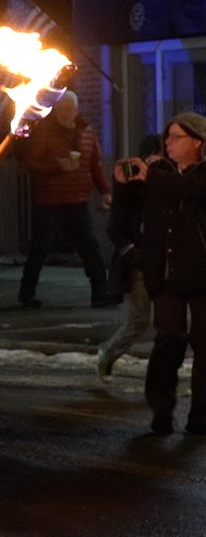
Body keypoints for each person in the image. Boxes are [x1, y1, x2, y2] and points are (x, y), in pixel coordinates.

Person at [124, 112, 206, 434]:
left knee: (204, 343)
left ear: (197, 142)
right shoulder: (159, 172)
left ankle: (200, 417)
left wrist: (151, 176)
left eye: (176, 137)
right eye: (167, 137)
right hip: (167, 275)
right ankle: (161, 409)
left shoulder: (198, 174)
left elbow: (190, 189)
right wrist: (125, 183)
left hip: (201, 274)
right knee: (169, 337)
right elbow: (127, 213)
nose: (168, 142)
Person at [18, 93, 114, 309]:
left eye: (70, 109)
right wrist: (58, 165)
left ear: (77, 110)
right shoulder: (44, 131)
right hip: (50, 199)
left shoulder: (86, 131)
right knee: (40, 247)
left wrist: (105, 191)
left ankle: (100, 292)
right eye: (62, 109)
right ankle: (26, 294)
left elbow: (95, 164)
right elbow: (32, 162)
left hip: (78, 198)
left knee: (89, 246)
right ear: (55, 110)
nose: (67, 113)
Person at [98, 134, 164, 380]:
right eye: (152, 159)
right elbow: (115, 228)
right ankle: (108, 354)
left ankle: (163, 371)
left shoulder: (167, 178)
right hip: (140, 262)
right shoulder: (130, 180)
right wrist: (133, 254)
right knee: (139, 319)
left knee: (170, 322)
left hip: (166, 258)